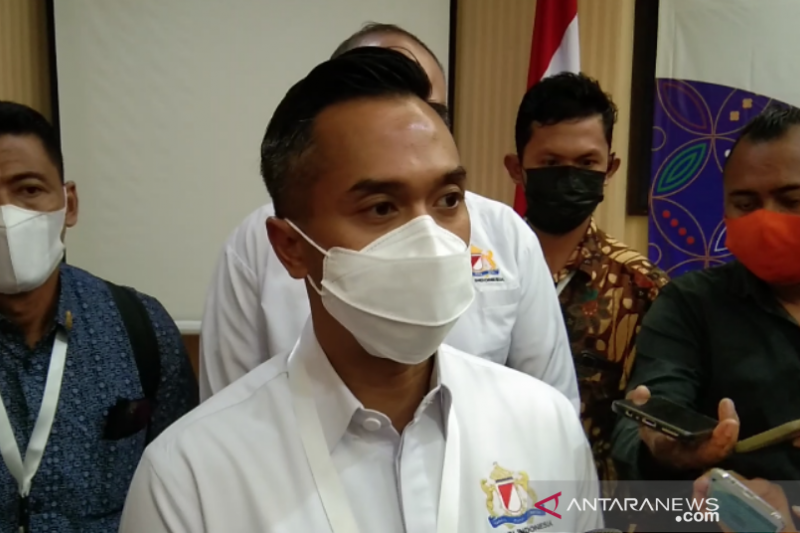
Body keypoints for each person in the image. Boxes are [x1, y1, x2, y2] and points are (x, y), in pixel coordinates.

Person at [120, 47, 601, 533]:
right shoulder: (190, 479)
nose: (430, 240)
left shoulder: (545, 427)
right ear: (290, 247)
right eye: (381, 208)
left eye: (448, 199)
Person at [198, 23, 579, 411]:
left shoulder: (505, 232)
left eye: (430, 109)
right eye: (381, 208)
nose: (405, 123)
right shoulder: (258, 245)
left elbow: (551, 399)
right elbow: (230, 408)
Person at [0, 101, 198, 532]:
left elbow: (184, 482)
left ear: (68, 204)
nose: (7, 215)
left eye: (29, 189)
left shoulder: (140, 327)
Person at [611, 106, 800, 491]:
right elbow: (639, 429)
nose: (767, 220)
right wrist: (664, 448)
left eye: (792, 200)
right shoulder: (690, 304)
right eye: (745, 204)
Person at [502, 72, 669, 483]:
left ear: (610, 168)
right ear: (517, 169)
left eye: (586, 163)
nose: (569, 176)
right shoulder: (478, 272)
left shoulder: (645, 288)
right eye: (550, 163)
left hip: (594, 503)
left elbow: (644, 429)